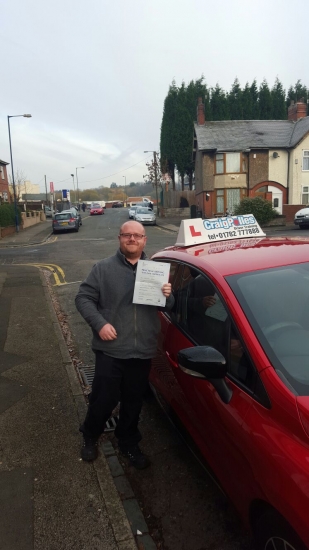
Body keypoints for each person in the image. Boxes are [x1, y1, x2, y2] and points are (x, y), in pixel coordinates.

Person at [75, 220, 173, 469]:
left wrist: (168, 295)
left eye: (137, 236)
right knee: (104, 399)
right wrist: (99, 324)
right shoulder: (102, 269)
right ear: (119, 238)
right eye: (127, 235)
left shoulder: (155, 271)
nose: (132, 239)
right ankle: (90, 433)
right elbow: (84, 298)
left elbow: (170, 307)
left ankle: (128, 441)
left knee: (133, 401)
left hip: (142, 350)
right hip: (112, 349)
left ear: (144, 240)